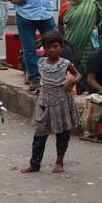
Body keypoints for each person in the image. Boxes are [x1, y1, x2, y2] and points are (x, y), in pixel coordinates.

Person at [21, 31, 80, 175]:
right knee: (40, 134)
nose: (52, 50)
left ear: (61, 47)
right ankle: (34, 164)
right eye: (49, 47)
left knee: (62, 133)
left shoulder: (65, 64)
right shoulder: (41, 62)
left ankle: (59, 161)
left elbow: (79, 75)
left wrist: (72, 80)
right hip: (44, 102)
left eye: (56, 46)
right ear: (44, 48)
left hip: (62, 101)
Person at [62, 0, 102, 69]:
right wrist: (64, 39)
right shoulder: (65, 7)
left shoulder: (91, 4)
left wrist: (94, 29)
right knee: (74, 66)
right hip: (71, 41)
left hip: (89, 41)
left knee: (89, 65)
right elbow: (60, 24)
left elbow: (99, 19)